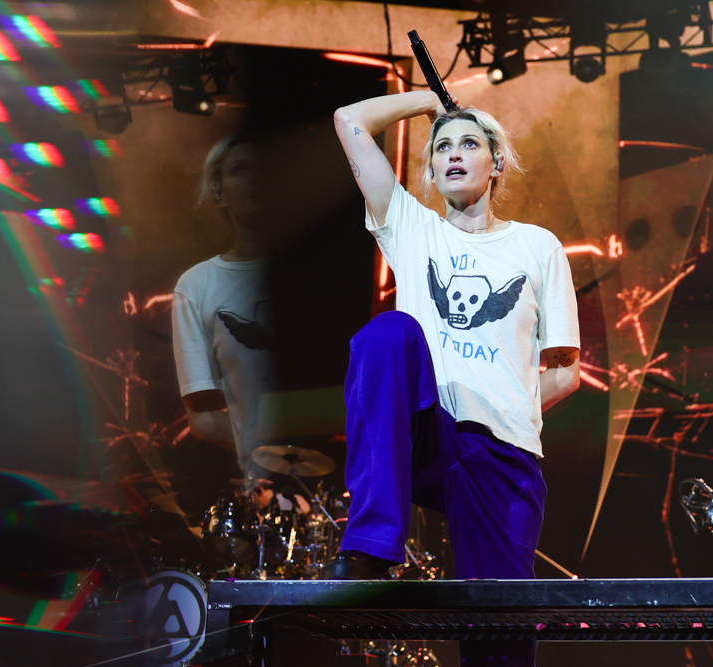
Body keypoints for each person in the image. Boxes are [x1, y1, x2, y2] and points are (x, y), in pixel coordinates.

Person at [323, 90, 580, 588]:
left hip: (502, 450)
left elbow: (566, 372)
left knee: (499, 618)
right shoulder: (411, 228)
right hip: (428, 431)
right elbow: (349, 118)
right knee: (388, 332)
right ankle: (371, 545)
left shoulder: (537, 245)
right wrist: (427, 102)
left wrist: (509, 405)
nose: (454, 154)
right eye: (443, 147)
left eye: (469, 144)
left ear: (497, 163)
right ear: (433, 171)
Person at [172, 135, 273, 487]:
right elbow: (201, 418)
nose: (256, 177)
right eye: (240, 169)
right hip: (269, 487)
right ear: (217, 192)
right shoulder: (197, 286)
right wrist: (268, 451)